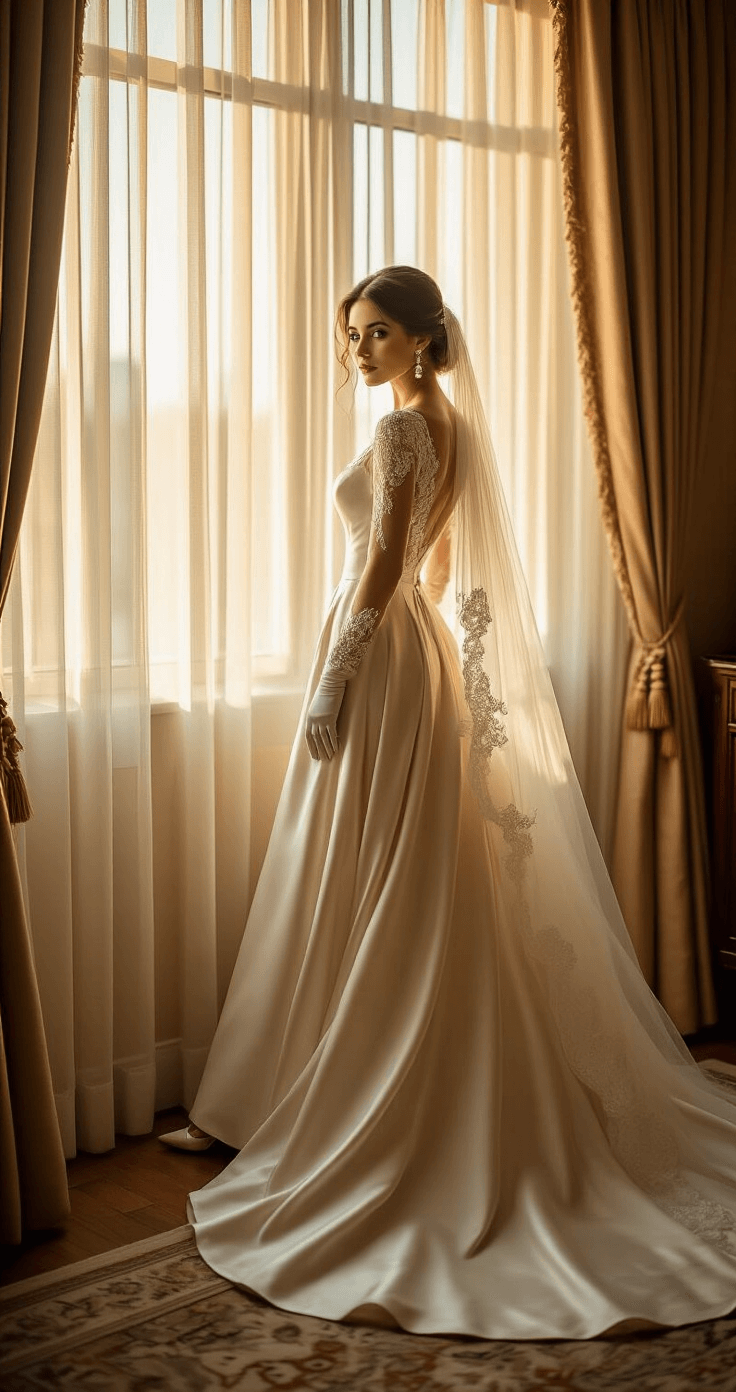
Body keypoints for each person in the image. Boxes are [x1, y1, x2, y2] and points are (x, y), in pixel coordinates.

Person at [161, 266, 736, 1340]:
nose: (358, 350)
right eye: (350, 335)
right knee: (379, 864)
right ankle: (284, 1091)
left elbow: (385, 555)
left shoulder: (402, 430)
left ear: (423, 338)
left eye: (375, 333)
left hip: (382, 651)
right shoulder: (448, 422)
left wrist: (339, 665)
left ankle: (318, 1102)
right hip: (413, 653)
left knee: (368, 864)